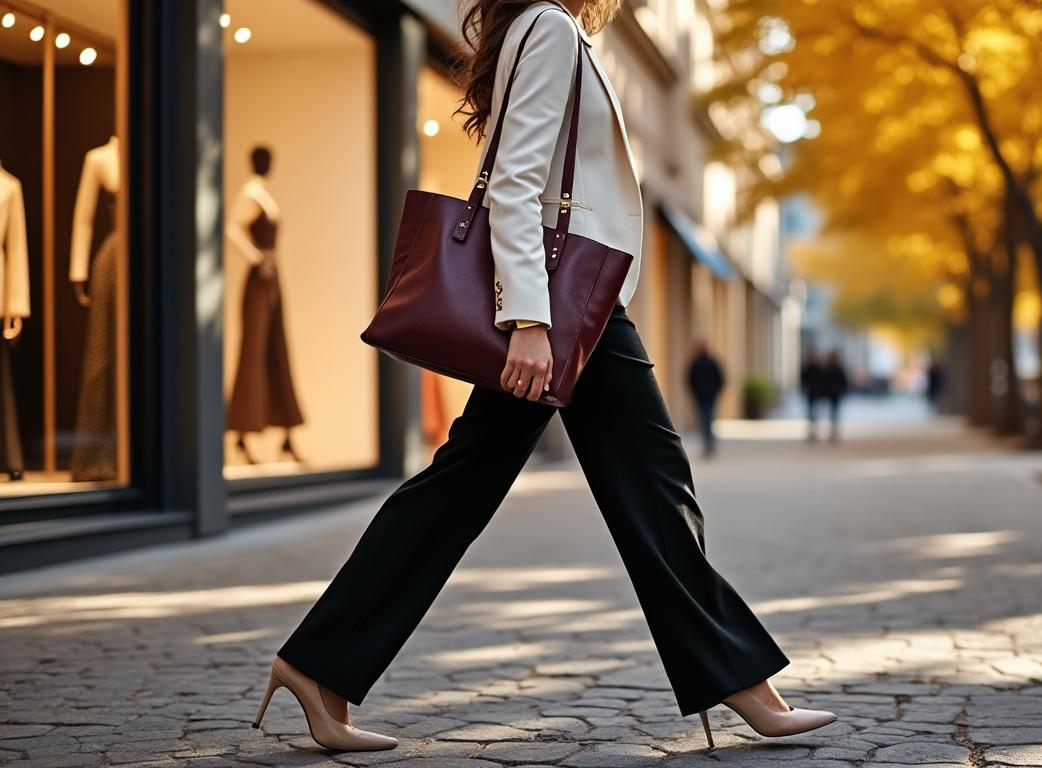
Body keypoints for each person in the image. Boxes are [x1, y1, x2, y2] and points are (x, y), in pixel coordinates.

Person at [250, 0, 835, 753]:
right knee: (652, 487)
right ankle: (739, 680)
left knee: (472, 486)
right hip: (565, 306)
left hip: (569, 302)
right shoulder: (551, 29)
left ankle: (316, 665)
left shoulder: (557, 31)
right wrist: (529, 320)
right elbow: (516, 181)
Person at [686, 341, 725, 457]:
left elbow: (720, 379)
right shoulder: (708, 363)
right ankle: (709, 444)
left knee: (705, 420)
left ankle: (709, 444)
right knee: (707, 420)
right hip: (706, 396)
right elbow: (690, 379)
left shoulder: (698, 363)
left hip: (705, 396)